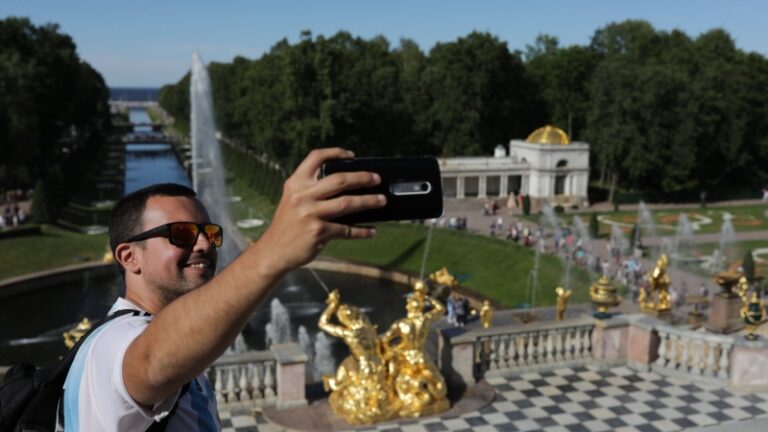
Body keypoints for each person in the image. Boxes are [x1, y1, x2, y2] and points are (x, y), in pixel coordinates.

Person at [63, 148, 385, 431]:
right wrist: (273, 250)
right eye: (182, 233)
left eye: (209, 232)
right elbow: (150, 359)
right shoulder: (110, 344)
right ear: (129, 256)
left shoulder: (173, 347)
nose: (204, 243)